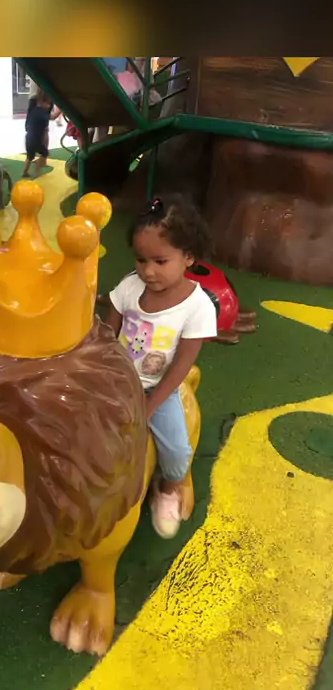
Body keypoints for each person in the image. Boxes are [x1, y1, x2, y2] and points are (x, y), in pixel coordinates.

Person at [104, 196, 217, 539]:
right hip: (114, 379)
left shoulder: (197, 307)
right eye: (141, 259)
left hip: (158, 387)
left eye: (160, 261)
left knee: (178, 451)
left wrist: (150, 405)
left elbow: (182, 366)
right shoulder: (129, 287)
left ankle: (167, 489)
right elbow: (106, 335)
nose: (148, 271)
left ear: (188, 257)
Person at [23, 90, 61, 177]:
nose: (49, 106)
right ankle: (37, 170)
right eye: (48, 104)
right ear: (41, 103)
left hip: (28, 138)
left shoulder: (33, 111)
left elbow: (28, 124)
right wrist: (60, 110)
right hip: (36, 140)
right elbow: (52, 117)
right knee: (45, 153)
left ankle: (24, 172)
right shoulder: (44, 115)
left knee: (29, 156)